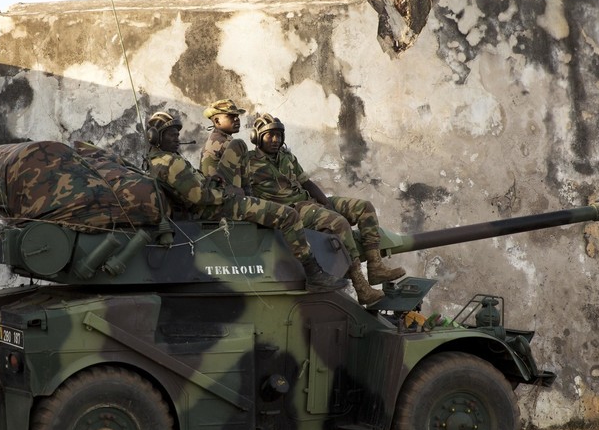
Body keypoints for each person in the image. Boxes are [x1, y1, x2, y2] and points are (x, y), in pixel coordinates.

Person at [144, 111, 347, 293]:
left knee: (238, 145)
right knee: (289, 216)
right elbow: (199, 197)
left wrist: (211, 182)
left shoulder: (159, 159)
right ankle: (314, 275)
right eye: (171, 134)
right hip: (212, 207)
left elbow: (195, 188)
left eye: (176, 134)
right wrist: (227, 195)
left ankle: (249, 198)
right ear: (155, 136)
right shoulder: (171, 162)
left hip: (211, 197)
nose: (177, 138)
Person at [233, 113, 405, 306]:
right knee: (338, 224)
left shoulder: (287, 157)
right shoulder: (248, 161)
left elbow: (306, 182)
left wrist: (326, 203)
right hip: (289, 210)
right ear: (257, 137)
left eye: (278, 135)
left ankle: (375, 267)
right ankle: (361, 287)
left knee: (363, 207)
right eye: (269, 135)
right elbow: (242, 192)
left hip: (308, 202)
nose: (275, 140)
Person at [199, 98, 248, 183]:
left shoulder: (214, 139)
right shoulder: (226, 143)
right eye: (231, 116)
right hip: (222, 192)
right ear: (217, 121)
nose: (237, 119)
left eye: (237, 116)